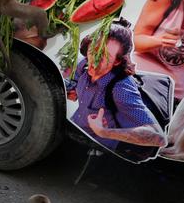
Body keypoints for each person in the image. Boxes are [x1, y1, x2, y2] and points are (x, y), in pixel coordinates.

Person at [67, 21, 167, 159]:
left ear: (117, 61)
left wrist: (103, 132)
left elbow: (158, 138)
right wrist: (72, 90)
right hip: (74, 130)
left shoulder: (121, 88)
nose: (94, 60)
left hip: (97, 149)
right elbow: (75, 82)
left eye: (104, 56)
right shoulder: (83, 64)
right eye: (94, 50)